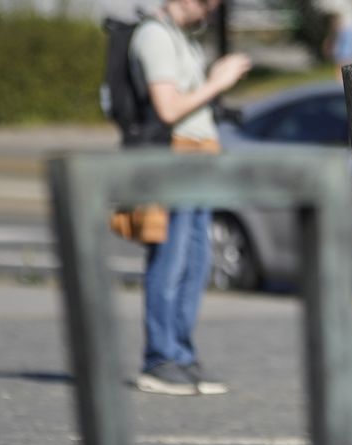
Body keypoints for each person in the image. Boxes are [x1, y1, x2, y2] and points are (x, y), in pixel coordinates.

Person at [130, 0, 251, 395]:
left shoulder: (182, 38)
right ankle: (159, 359)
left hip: (199, 156)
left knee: (196, 263)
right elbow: (168, 108)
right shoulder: (154, 35)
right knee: (171, 260)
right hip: (175, 156)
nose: (211, 10)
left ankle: (181, 355)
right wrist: (218, 81)